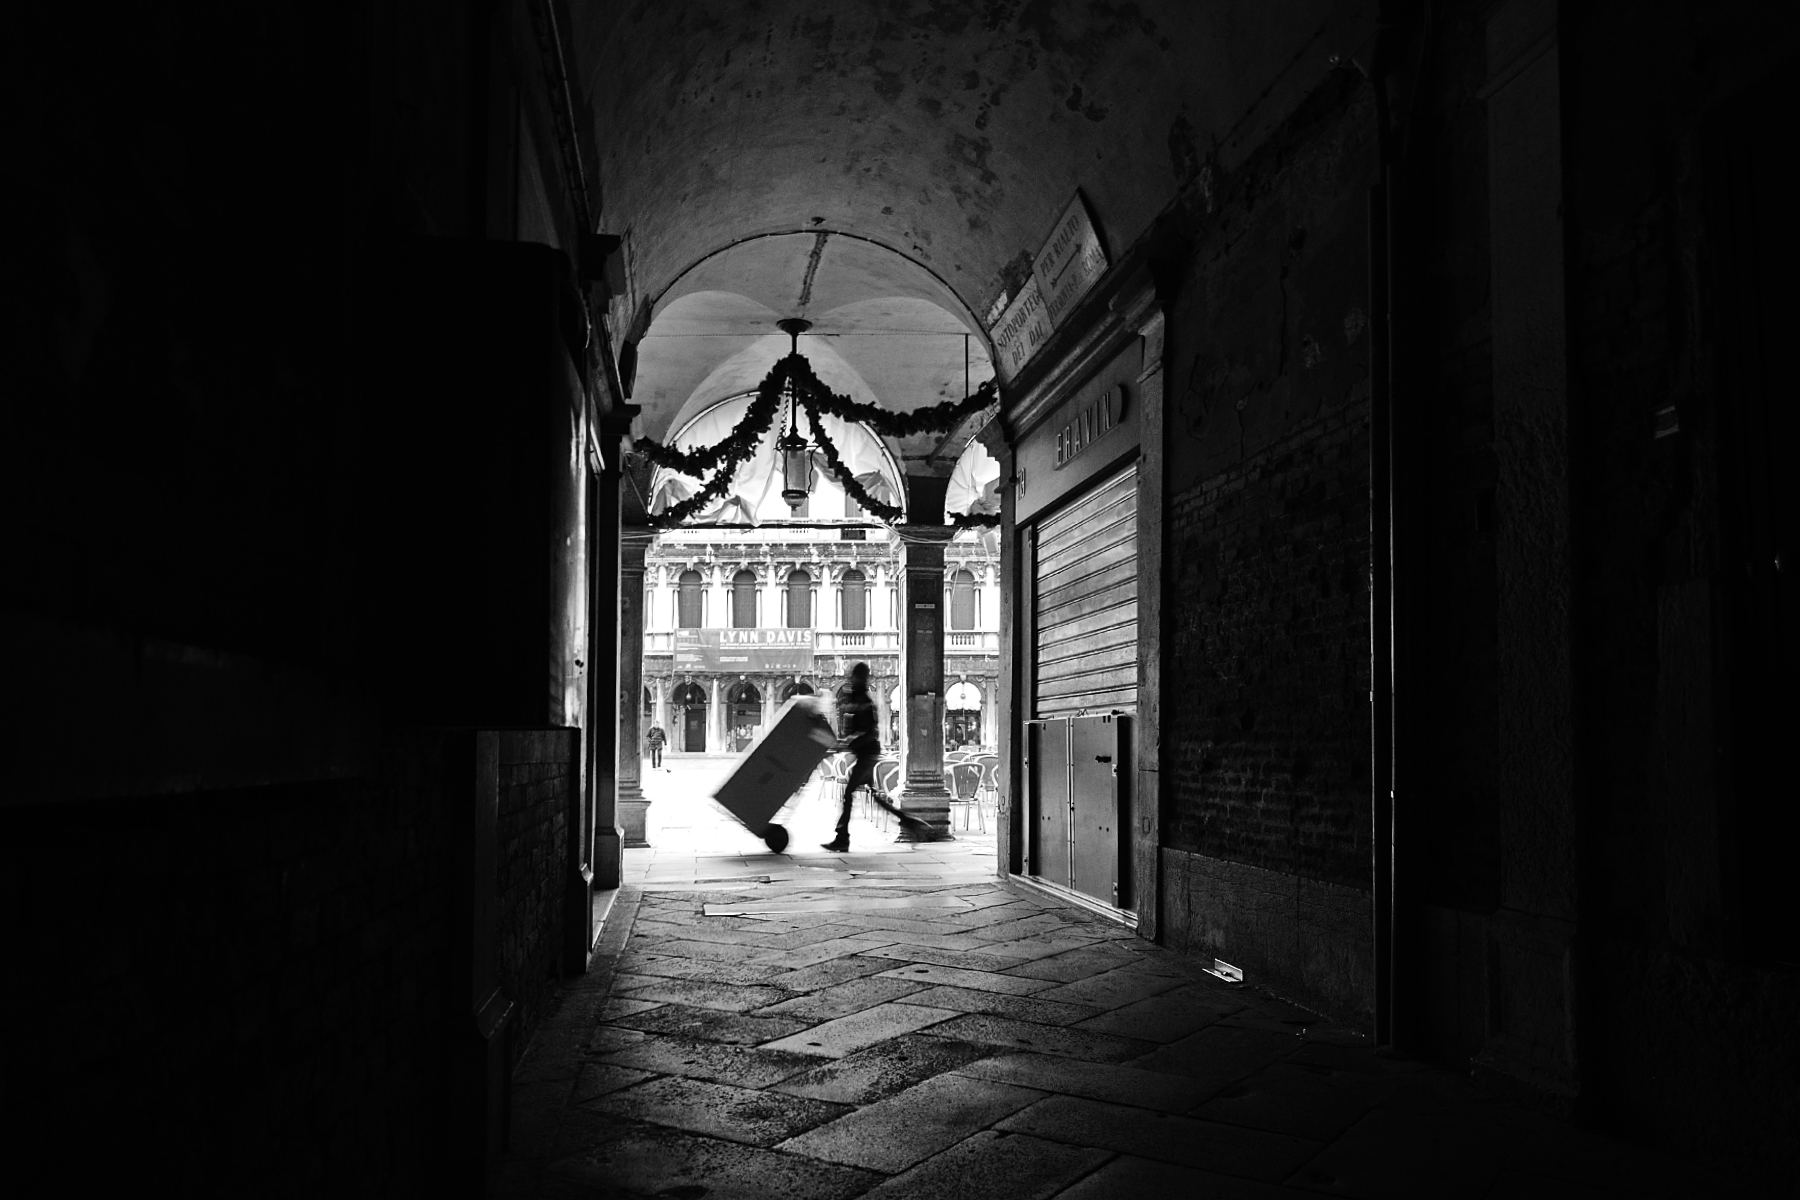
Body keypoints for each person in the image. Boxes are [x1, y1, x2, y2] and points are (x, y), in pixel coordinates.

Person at [823, 662, 929, 851]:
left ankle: (842, 838)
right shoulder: (856, 698)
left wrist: (848, 742)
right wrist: (847, 741)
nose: (850, 679)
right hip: (865, 754)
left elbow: (868, 732)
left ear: (860, 678)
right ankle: (911, 823)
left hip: (867, 755)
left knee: (849, 794)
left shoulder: (864, 701)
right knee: (875, 796)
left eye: (853, 676)